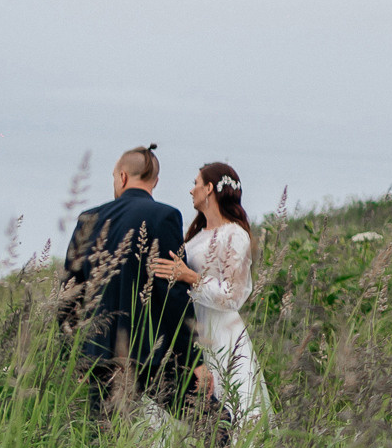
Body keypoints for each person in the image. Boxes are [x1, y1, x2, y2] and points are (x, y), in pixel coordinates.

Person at [58, 144, 196, 418]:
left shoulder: (89, 219)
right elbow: (174, 293)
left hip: (99, 354)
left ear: (122, 177)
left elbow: (68, 295)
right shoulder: (165, 217)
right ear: (155, 181)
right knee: (208, 420)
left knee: (104, 439)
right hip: (151, 353)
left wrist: (71, 357)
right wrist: (194, 361)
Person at [150, 161, 270, 432]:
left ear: (209, 189)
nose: (191, 190)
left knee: (229, 406)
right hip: (192, 327)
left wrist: (189, 277)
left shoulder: (235, 235)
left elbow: (234, 296)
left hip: (221, 332)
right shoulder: (193, 238)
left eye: (196, 183)